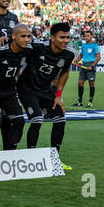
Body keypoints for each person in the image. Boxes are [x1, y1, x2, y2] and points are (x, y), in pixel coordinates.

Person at [17, 22, 75, 171]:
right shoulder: (37, 48)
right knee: (37, 119)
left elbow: (65, 73)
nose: (66, 41)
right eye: (62, 37)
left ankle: (55, 159)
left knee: (60, 118)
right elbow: (19, 47)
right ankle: (31, 161)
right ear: (52, 38)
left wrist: (58, 96)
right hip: (27, 89)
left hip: (45, 90)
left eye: (68, 37)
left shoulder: (68, 55)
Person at [0, 23, 33, 151]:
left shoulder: (29, 50)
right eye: (23, 36)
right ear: (13, 36)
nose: (26, 39)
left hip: (9, 92)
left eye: (28, 36)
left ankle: (9, 154)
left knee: (19, 122)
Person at [73, 30, 101, 108]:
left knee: (91, 84)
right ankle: (79, 101)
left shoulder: (95, 46)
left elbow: (98, 57)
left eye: (88, 36)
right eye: (85, 36)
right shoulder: (83, 45)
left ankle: (90, 102)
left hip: (91, 65)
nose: (86, 37)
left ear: (91, 37)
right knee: (80, 83)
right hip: (83, 66)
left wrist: (92, 66)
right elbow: (81, 55)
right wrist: (76, 61)